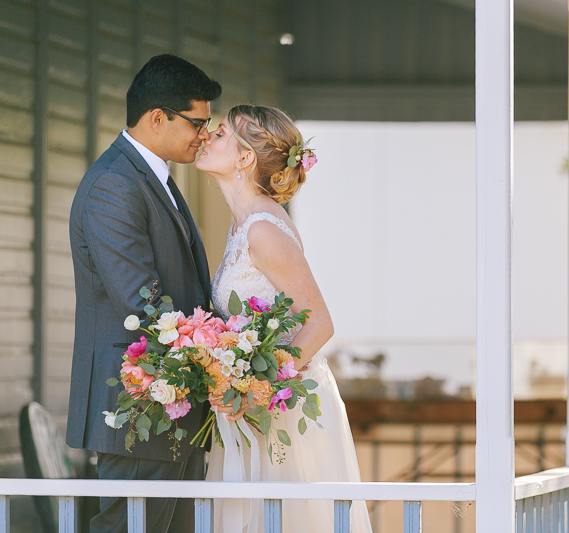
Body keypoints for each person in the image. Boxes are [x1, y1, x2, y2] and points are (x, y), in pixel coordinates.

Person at [196, 105, 372, 533]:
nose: (206, 137)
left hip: (282, 410)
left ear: (244, 158)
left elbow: (320, 324)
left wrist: (257, 389)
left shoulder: (263, 230)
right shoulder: (243, 226)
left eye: (219, 133)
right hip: (256, 404)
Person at [67, 54, 221, 533]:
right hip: (137, 411)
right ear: (158, 117)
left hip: (175, 409)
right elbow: (144, 302)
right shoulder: (115, 183)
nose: (205, 135)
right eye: (198, 122)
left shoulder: (154, 178)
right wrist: (223, 357)